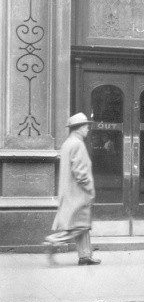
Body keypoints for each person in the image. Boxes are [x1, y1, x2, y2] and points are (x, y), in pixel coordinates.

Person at [44, 113, 101, 266]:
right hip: (79, 193)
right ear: (79, 128)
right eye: (86, 126)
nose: (88, 129)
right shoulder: (77, 144)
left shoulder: (68, 143)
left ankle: (85, 256)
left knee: (82, 224)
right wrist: (89, 189)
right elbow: (80, 172)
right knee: (79, 225)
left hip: (70, 192)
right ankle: (53, 241)